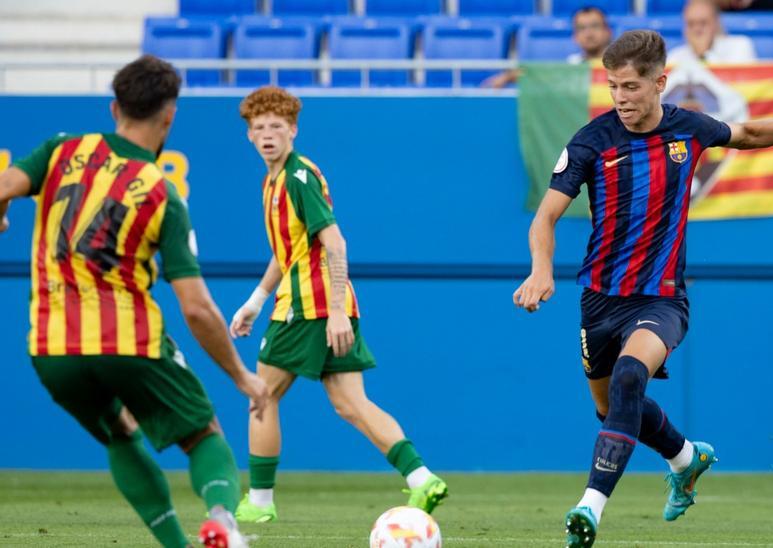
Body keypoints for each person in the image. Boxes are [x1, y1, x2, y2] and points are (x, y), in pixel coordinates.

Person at [513, 29, 773, 548]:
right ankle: (686, 458)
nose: (621, 98)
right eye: (614, 86)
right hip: (598, 300)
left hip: (660, 298)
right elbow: (546, 216)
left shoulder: (689, 129)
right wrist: (540, 269)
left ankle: (589, 508)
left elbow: (748, 134)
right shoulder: (590, 142)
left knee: (627, 381)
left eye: (631, 87)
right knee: (611, 409)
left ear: (660, 82)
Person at [0, 55, 265, 548]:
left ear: (114, 106)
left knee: (121, 432)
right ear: (170, 116)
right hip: (127, 341)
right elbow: (197, 307)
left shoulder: (62, 152)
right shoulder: (163, 194)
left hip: (50, 347)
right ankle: (223, 521)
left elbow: (3, 186)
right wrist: (241, 376)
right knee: (203, 433)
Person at [227, 86, 447, 524]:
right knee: (350, 404)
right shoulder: (272, 181)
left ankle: (260, 503)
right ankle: (422, 478)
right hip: (317, 304)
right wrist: (254, 301)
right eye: (259, 128)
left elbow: (335, 243)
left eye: (276, 127)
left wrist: (337, 310)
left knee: (261, 396)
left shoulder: (297, 177)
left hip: (309, 307)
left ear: (293, 130)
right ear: (250, 136)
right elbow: (286, 251)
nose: (268, 134)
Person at [484, 5, 613, 88]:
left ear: (608, 31)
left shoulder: (617, 66)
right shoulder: (570, 65)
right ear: (575, 36)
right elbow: (539, 75)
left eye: (595, 26)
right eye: (581, 28)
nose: (588, 34)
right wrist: (506, 77)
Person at [667, 0, 758, 66]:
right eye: (691, 24)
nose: (697, 30)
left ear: (716, 24)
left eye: (703, 23)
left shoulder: (740, 47)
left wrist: (703, 55)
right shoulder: (674, 57)